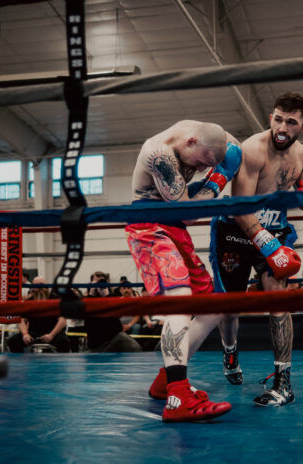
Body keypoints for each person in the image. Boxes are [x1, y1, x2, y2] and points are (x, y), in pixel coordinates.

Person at [126, 120, 240, 422]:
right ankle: (178, 396)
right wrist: (218, 181)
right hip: (150, 227)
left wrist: (226, 159)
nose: (203, 169)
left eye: (209, 164)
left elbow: (234, 144)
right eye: (203, 162)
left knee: (212, 306)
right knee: (180, 300)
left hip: (173, 228)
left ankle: (166, 380)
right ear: (190, 143)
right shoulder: (159, 154)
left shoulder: (201, 135)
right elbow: (188, 214)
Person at [209, 92, 303, 406]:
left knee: (277, 300)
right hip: (236, 233)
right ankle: (230, 353)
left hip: (275, 230)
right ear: (271, 118)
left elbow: (298, 191)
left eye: (290, 122)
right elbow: (242, 209)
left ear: (302, 126)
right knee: (230, 306)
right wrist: (268, 245)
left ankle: (283, 383)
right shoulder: (251, 149)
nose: (282, 126)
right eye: (278, 118)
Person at [7, 276, 70, 353]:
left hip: (53, 332)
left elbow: (63, 320)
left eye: (42, 285)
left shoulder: (57, 300)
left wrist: (51, 335)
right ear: (33, 287)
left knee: (64, 341)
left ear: (47, 287)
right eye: (37, 285)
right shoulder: (28, 302)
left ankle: (61, 364)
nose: (40, 287)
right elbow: (20, 319)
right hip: (33, 333)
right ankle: (22, 363)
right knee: (13, 341)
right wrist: (25, 334)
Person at [84, 271, 141, 353]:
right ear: (91, 284)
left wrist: (107, 296)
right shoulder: (86, 300)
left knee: (135, 348)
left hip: (115, 338)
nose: (100, 285)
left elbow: (119, 314)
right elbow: (84, 314)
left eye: (102, 282)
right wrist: (91, 294)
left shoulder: (113, 297)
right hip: (97, 344)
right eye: (97, 283)